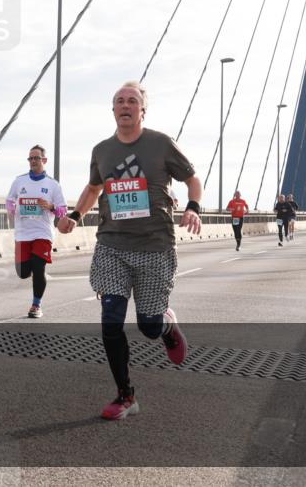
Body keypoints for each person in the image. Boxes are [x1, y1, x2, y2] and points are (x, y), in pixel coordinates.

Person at [58, 81, 201, 421]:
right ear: (113, 110)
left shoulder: (161, 144)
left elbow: (192, 179)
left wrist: (193, 206)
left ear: (142, 110)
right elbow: (94, 188)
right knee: (110, 322)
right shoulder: (102, 150)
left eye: (132, 101)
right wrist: (75, 216)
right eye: (119, 101)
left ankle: (166, 326)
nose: (125, 105)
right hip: (112, 245)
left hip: (154, 246)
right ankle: (125, 395)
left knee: (148, 326)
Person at [6, 145, 67, 318]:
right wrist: (12, 208)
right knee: (23, 272)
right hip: (23, 232)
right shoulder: (19, 181)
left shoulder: (53, 185)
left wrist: (51, 206)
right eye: (30, 158)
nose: (33, 161)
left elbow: (62, 210)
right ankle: (33, 270)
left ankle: (36, 305)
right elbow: (9, 200)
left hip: (43, 232)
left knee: (39, 268)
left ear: (44, 160)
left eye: (36, 158)